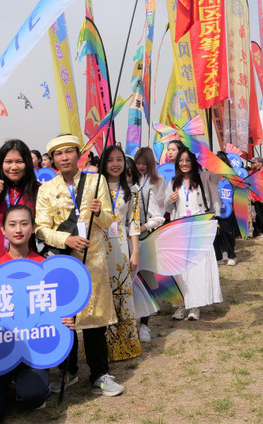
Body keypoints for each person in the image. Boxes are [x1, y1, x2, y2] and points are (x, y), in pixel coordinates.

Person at [34, 134, 124, 396]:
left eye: (68, 152)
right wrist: (67, 239)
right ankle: (68, 371)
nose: (64, 158)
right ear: (52, 160)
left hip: (94, 258)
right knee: (65, 317)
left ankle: (99, 374)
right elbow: (40, 228)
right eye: (58, 154)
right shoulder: (46, 189)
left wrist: (100, 212)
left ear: (78, 155)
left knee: (95, 316)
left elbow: (109, 221)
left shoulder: (97, 181)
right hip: (62, 260)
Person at [0, 205, 53, 424]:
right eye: (12, 224)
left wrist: (64, 320)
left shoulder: (45, 268)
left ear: (33, 228)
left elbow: (53, 311)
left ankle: (29, 383)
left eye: (24, 223)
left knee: (33, 396)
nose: (18, 229)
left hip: (31, 351)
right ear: (3, 230)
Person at [165, 147, 223, 321]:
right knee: (181, 269)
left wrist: (210, 157)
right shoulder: (174, 182)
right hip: (180, 228)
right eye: (181, 160)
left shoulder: (204, 178)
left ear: (193, 162)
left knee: (197, 268)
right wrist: (170, 200)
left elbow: (218, 174)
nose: (184, 164)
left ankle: (195, 306)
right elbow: (167, 207)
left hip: (199, 227)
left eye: (187, 160)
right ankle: (183, 304)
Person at [99, 145, 142, 362]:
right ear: (103, 163)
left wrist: (135, 252)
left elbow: (134, 223)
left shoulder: (132, 191)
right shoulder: (95, 187)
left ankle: (125, 345)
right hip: (99, 246)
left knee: (123, 295)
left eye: (119, 160)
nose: (115, 164)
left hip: (122, 247)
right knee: (102, 295)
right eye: (110, 160)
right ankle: (102, 347)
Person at [132, 146, 166, 342]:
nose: (141, 166)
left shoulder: (157, 181)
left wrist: (142, 228)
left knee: (146, 281)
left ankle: (144, 325)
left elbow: (158, 212)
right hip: (124, 240)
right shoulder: (130, 181)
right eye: (138, 163)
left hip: (144, 237)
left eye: (144, 163)